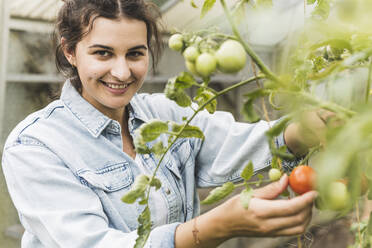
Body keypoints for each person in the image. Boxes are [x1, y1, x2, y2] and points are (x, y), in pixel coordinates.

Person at [1, 0, 321, 247]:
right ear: (69, 51)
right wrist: (211, 228)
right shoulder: (36, 146)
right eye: (103, 54)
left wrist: (303, 130)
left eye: (135, 54)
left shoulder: (164, 114)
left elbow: (239, 143)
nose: (122, 72)